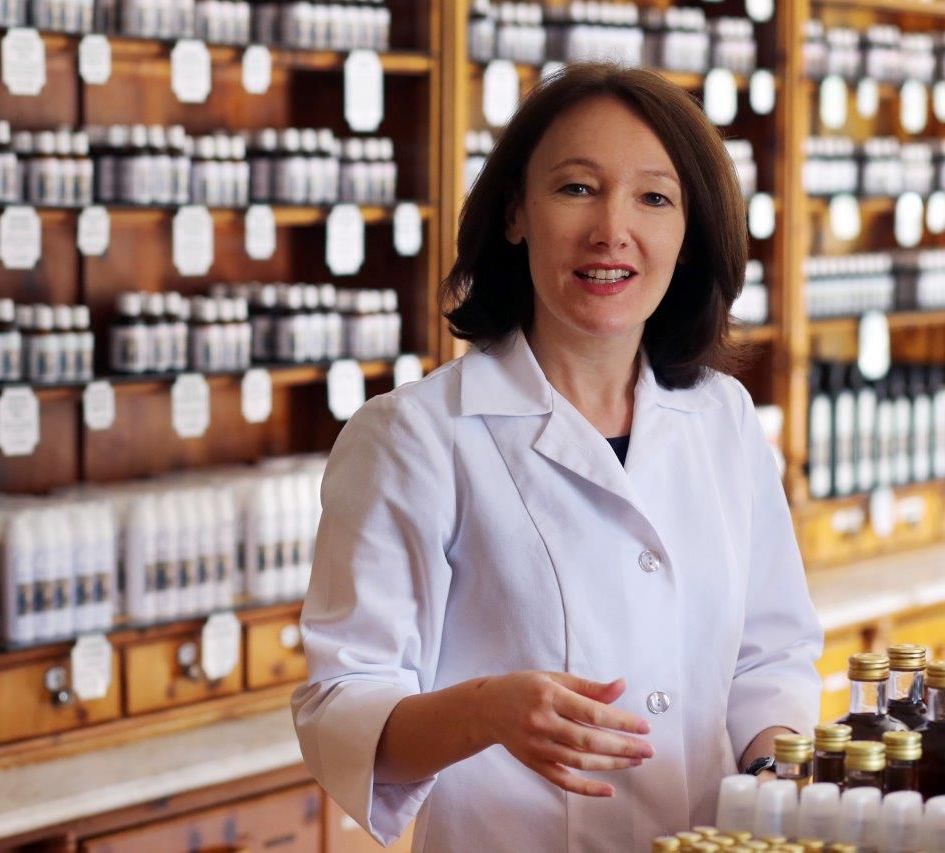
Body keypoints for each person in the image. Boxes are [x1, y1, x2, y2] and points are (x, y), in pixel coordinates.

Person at [290, 63, 822, 851]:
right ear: (515, 213)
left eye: (653, 197)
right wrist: (487, 710)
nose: (613, 229)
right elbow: (341, 704)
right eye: (577, 188)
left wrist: (775, 770)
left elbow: (772, 653)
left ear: (688, 232)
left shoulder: (723, 418)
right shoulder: (416, 435)